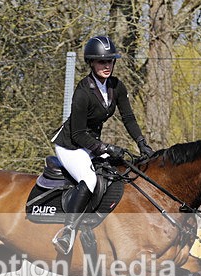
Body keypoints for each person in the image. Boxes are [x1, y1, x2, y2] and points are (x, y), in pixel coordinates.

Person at [50, 35, 154, 254]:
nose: (107, 66)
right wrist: (105, 148)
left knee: (120, 171)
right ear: (91, 63)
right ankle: (68, 231)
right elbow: (78, 134)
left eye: (110, 61)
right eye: (101, 61)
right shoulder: (82, 92)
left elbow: (129, 118)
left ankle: (97, 225)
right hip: (70, 145)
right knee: (88, 178)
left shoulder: (116, 86)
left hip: (91, 143)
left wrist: (142, 143)